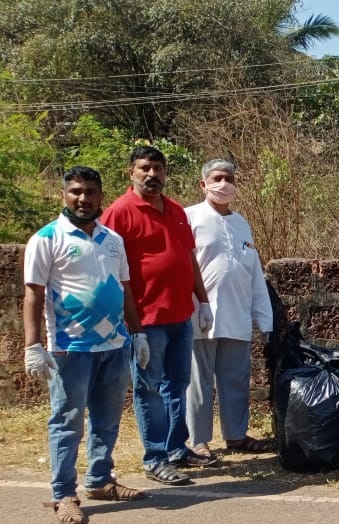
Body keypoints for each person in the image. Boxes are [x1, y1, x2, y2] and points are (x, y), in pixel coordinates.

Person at [23, 166, 148, 524]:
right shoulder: (47, 238)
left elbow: (125, 288)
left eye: (91, 191)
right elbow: (33, 294)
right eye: (76, 191)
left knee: (107, 420)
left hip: (114, 345)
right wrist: (33, 345)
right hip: (70, 348)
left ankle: (100, 480)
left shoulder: (112, 239)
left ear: (100, 196)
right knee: (67, 421)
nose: (83, 198)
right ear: (64, 194)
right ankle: (63, 493)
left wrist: (137, 333)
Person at [101, 146, 216, 486]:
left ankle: (176, 448)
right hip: (144, 321)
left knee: (177, 384)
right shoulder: (119, 213)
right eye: (144, 168)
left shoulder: (177, 210)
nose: (152, 175)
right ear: (131, 173)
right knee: (148, 388)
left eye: (158, 168)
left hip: (180, 315)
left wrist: (203, 300)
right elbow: (109, 271)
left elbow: (188, 256)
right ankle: (155, 458)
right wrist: (128, 323)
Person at [184, 160, 274, 459]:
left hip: (237, 314)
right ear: (203, 184)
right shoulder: (190, 218)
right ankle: (197, 440)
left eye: (229, 178)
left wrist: (263, 317)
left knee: (235, 380)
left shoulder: (242, 223)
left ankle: (235, 435)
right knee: (199, 382)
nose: (223, 184)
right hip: (201, 314)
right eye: (217, 178)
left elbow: (254, 272)